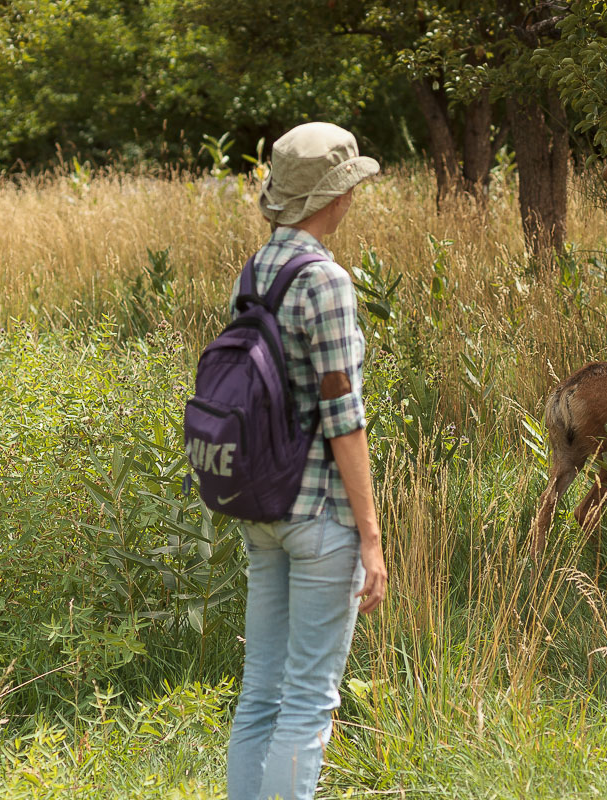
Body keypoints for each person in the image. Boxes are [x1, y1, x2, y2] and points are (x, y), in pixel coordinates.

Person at [225, 121, 388, 800]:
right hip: (320, 515)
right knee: (310, 703)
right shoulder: (326, 280)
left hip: (260, 503)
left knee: (260, 694)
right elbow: (343, 419)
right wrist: (372, 536)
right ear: (337, 194)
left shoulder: (257, 269)